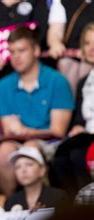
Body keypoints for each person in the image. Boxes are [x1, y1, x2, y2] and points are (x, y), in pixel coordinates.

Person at [0, 26, 74, 199]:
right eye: (12, 52)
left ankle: (42, 206)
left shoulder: (56, 80)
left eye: (21, 50)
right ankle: (11, 206)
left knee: (30, 150)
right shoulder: (4, 85)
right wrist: (22, 132)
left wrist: (28, 132)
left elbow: (58, 131)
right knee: (4, 151)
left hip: (51, 143)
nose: (16, 57)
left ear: (36, 50)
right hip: (19, 141)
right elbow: (10, 130)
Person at [51, 22, 94, 197]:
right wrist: (77, 126)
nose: (91, 48)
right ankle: (72, 209)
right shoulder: (84, 81)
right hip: (88, 136)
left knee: (77, 156)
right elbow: (79, 119)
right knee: (60, 159)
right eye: (87, 43)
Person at [4, 146, 67, 211]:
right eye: (18, 167)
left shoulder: (58, 197)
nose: (23, 170)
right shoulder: (11, 201)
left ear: (42, 170)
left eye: (29, 164)